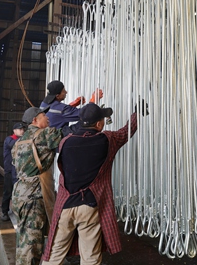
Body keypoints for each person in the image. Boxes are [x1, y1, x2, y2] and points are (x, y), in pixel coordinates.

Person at [41, 102, 142, 265]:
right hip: (90, 206)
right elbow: (126, 132)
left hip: (65, 205)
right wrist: (137, 115)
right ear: (99, 124)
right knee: (90, 257)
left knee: (55, 253)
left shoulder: (65, 142)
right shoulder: (107, 140)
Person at [11, 106, 62, 265]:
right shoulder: (44, 135)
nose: (48, 118)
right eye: (44, 116)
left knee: (24, 237)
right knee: (32, 244)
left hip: (20, 194)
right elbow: (69, 133)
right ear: (35, 120)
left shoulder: (19, 142)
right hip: (33, 197)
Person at [1, 122, 25, 222]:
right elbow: (13, 145)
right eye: (20, 129)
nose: (22, 131)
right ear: (14, 131)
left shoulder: (22, 140)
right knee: (8, 192)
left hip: (19, 171)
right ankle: (4, 212)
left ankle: (18, 211)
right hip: (10, 171)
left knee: (19, 192)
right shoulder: (9, 139)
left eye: (23, 129)